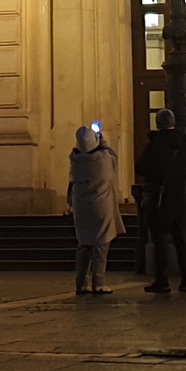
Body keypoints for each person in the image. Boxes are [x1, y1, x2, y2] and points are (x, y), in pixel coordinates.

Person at [134, 109, 186, 293]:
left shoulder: (155, 144)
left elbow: (141, 167)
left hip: (159, 199)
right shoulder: (183, 144)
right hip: (177, 198)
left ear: (158, 123)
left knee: (159, 240)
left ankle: (162, 279)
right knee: (180, 240)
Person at [66, 122, 124, 295]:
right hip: (101, 204)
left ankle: (80, 282)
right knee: (101, 244)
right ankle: (98, 282)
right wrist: (102, 139)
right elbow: (114, 156)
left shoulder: (75, 159)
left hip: (81, 205)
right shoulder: (104, 158)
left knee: (84, 244)